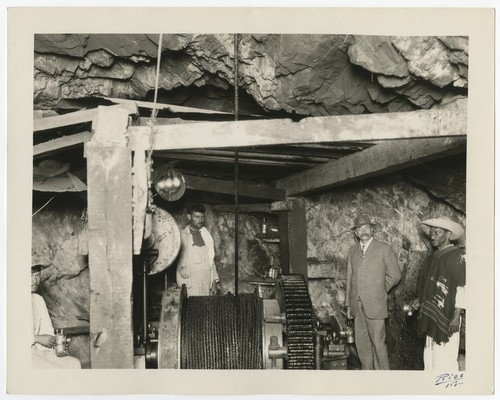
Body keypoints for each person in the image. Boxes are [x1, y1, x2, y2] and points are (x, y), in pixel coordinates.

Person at [345, 214, 401, 370]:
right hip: (357, 305)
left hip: (375, 305)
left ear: (372, 230)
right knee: (362, 344)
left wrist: (380, 289)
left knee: (378, 343)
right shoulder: (352, 251)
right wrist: (348, 306)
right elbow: (349, 278)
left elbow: (395, 274)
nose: (364, 231)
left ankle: (383, 379)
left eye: (367, 228)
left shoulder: (384, 249)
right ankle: (367, 377)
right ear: (355, 233)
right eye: (360, 228)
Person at [410, 217, 465, 371]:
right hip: (431, 316)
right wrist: (420, 299)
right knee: (430, 358)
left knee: (445, 360)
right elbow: (430, 285)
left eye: (437, 233)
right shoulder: (432, 258)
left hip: (448, 317)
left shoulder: (457, 257)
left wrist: (456, 316)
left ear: (448, 235)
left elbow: (463, 288)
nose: (432, 236)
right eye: (431, 233)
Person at [31, 256, 81, 369]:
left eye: (37, 276)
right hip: (22, 354)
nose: (34, 281)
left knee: (73, 363)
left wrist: (58, 345)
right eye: (30, 276)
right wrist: (37, 338)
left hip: (40, 350)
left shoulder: (38, 299)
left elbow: (46, 332)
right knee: (55, 370)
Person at [176, 203, 220, 296]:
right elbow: (179, 265)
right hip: (190, 285)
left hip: (206, 281)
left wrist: (214, 283)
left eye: (202, 217)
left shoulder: (206, 235)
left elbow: (211, 261)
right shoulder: (182, 236)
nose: (200, 220)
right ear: (189, 217)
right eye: (197, 217)